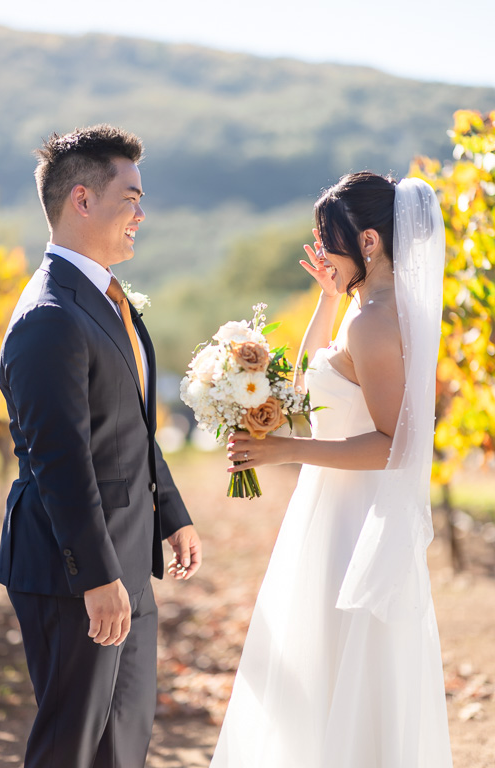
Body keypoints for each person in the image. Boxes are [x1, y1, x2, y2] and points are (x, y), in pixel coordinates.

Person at [211, 172, 453, 767]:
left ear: (368, 241)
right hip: (329, 510)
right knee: (318, 676)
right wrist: (326, 296)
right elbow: (306, 387)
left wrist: (284, 451)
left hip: (353, 521)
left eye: (330, 239)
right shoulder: (363, 308)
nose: (321, 250)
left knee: (342, 675)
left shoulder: (376, 320)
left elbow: (391, 445)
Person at [0, 124, 202, 768]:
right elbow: (61, 462)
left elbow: (131, 424)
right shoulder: (49, 315)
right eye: (131, 197)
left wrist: (172, 514)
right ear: (81, 201)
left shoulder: (110, 300)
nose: (143, 213)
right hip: (72, 571)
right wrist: (98, 577)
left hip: (125, 557)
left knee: (124, 742)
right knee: (72, 748)